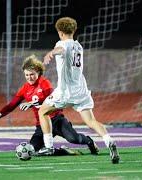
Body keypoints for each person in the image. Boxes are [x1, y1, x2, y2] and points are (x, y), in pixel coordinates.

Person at [37, 17, 120, 164]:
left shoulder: (61, 43)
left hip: (65, 92)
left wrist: (51, 52)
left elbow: (61, 49)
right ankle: (109, 141)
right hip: (81, 91)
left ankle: (49, 147)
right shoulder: (78, 46)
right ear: (74, 30)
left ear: (60, 32)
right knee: (91, 121)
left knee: (42, 112)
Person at [0, 55, 99, 156]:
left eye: (32, 74)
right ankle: (63, 151)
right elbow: (12, 105)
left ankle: (89, 141)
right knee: (32, 150)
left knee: (74, 139)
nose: (29, 77)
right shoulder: (25, 88)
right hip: (42, 125)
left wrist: (31, 103)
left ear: (38, 73)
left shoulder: (44, 83)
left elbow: (50, 100)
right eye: (27, 75)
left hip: (56, 120)